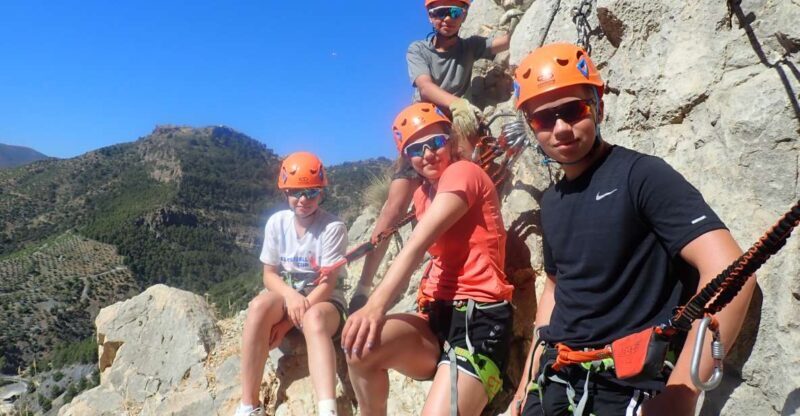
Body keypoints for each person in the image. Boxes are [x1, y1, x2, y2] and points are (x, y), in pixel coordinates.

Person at [507, 43, 756, 416]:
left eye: (573, 110)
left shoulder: (641, 176)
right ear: (532, 128)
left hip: (623, 384)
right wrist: (522, 392)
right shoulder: (553, 202)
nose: (560, 128)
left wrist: (683, 391)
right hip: (556, 378)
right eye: (544, 119)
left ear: (598, 107)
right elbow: (556, 290)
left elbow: (732, 271)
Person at [342, 102, 515, 416]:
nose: (428, 154)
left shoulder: (464, 172)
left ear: (449, 141)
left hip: (479, 321)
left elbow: (417, 244)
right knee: (360, 349)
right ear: (408, 159)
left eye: (436, 142)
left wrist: (375, 304)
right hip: (434, 319)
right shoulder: (423, 195)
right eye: (416, 150)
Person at [349, 0, 514, 313]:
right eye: (439, 13)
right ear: (429, 15)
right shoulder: (418, 50)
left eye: (455, 12)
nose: (447, 19)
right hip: (421, 133)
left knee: (464, 162)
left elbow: (500, 44)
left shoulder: (469, 47)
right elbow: (424, 87)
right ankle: (364, 286)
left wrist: (514, 22)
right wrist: (458, 104)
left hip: (446, 135)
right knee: (394, 207)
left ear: (464, 15)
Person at [235, 152, 348, 416]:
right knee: (258, 307)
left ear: (321, 193)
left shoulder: (332, 227)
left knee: (314, 320)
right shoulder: (277, 223)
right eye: (296, 192)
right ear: (285, 192)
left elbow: (329, 283)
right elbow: (269, 275)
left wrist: (291, 319)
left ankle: (327, 409)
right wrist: (291, 297)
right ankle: (248, 406)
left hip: (323, 298)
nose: (303, 200)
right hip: (291, 295)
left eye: (311, 192)